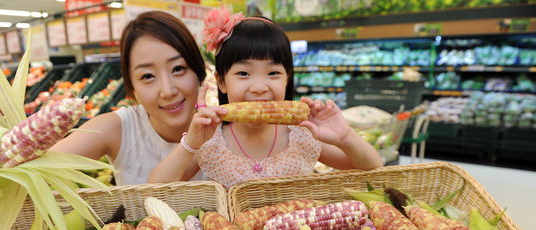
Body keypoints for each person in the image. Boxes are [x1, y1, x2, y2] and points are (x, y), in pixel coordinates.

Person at [148, 6, 382, 189]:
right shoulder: (211, 143)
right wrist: (190, 144)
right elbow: (154, 188)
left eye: (273, 73)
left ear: (287, 78)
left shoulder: (302, 135)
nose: (259, 87)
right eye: (243, 73)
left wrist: (345, 137)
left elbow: (371, 168)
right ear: (221, 81)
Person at [48, 11, 208, 185]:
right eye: (147, 76)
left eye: (178, 69)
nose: (167, 91)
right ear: (132, 86)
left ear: (198, 71)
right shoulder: (118, 128)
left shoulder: (227, 129)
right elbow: (43, 169)